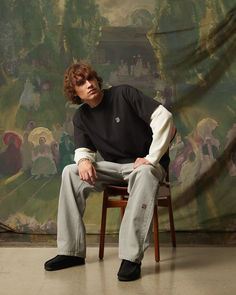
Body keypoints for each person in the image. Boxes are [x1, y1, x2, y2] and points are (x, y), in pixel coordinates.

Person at [44, 61, 173, 281]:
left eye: (90, 78)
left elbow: (165, 117)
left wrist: (151, 159)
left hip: (146, 167)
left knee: (142, 173)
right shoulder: (81, 117)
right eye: (81, 83)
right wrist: (84, 160)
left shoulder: (124, 94)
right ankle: (71, 252)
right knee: (70, 172)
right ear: (75, 93)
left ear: (97, 79)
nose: (89, 84)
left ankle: (131, 258)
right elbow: (83, 149)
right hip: (115, 168)